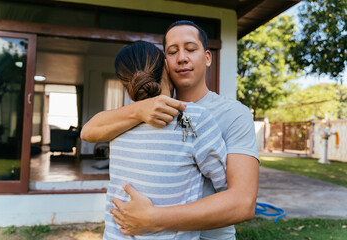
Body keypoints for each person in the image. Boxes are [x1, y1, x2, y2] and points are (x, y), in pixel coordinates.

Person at [81, 20, 259, 240]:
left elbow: (243, 203)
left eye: (191, 49)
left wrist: (153, 219)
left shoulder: (234, 113)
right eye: (172, 52)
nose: (182, 57)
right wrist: (139, 110)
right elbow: (88, 131)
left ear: (207, 57)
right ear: (164, 63)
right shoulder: (139, 114)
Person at [103, 40, 228, 239]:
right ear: (165, 65)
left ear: (124, 84)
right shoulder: (192, 117)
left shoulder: (114, 125)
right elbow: (224, 181)